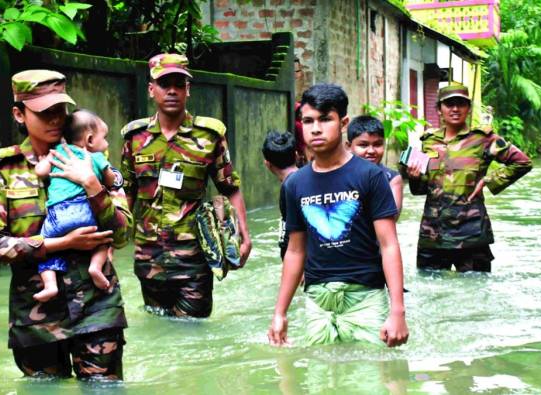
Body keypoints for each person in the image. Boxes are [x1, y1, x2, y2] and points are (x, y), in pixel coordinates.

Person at [0, 70, 132, 380]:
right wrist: (56, 245)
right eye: (44, 112)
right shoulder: (4, 169)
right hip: (36, 316)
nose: (55, 119)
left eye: (60, 109)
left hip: (98, 307)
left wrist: (94, 187)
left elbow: (123, 234)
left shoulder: (92, 156)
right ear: (19, 114)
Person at [267, 83, 408, 347]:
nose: (316, 128)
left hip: (365, 297)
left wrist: (397, 311)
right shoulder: (295, 185)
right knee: (319, 379)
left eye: (325, 119)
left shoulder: (370, 176)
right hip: (317, 301)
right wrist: (279, 312)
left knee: (371, 378)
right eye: (308, 121)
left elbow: (389, 245)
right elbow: (296, 251)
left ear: (343, 122)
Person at [120, 53, 252, 318]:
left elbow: (230, 187)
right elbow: (127, 193)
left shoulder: (209, 136)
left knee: (192, 331)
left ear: (188, 90)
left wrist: (243, 236)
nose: (172, 91)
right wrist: (114, 241)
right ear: (151, 89)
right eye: (164, 83)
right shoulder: (134, 138)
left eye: (179, 84)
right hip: (149, 258)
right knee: (159, 329)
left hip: (195, 259)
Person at [404, 84, 532, 272]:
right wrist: (414, 177)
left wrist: (489, 180)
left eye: (461, 104)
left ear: (469, 108)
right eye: (449, 104)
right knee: (432, 294)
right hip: (433, 235)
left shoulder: (483, 139)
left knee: (476, 292)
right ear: (439, 109)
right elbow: (420, 190)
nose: (455, 109)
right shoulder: (429, 142)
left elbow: (522, 162)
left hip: (471, 234)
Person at [33, 109, 118, 302]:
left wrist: (43, 161)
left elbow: (40, 171)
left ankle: (50, 285)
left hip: (57, 215)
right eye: (104, 138)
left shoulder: (58, 152)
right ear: (89, 140)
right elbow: (111, 179)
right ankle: (95, 268)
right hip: (84, 211)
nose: (106, 143)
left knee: (44, 248)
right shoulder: (95, 156)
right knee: (103, 239)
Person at [346, 115, 403, 220]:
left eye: (377, 145)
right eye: (363, 145)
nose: (371, 151)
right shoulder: (340, 175)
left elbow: (392, 217)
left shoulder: (392, 178)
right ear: (348, 146)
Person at [261, 130, 298, 260]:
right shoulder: (306, 177)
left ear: (267, 164)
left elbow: (289, 234)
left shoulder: (288, 186)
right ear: (297, 155)